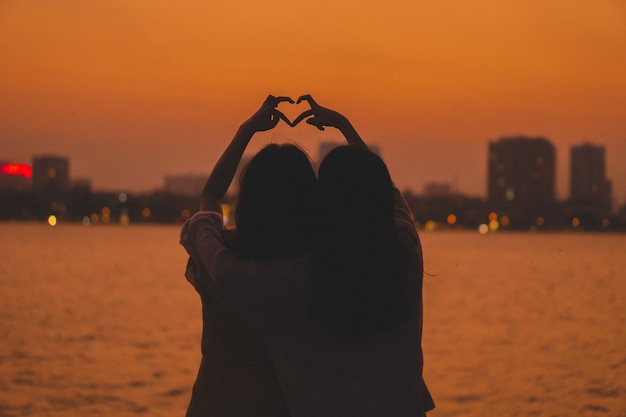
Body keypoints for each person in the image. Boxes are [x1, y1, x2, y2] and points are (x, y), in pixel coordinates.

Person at [181, 95, 434, 416]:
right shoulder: (405, 257)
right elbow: (389, 198)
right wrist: (343, 124)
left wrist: (246, 130)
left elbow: (209, 203)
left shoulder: (282, 281)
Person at [183, 95, 317, 417]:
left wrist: (247, 130)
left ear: (249, 203)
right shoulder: (315, 274)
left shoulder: (219, 260)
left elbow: (210, 196)